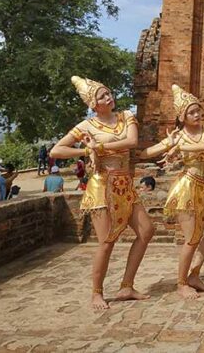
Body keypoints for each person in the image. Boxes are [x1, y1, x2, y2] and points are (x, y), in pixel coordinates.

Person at [50, 75, 154, 310]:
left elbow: (131, 141)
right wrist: (86, 151)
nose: (109, 97)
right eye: (102, 96)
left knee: (146, 230)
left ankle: (127, 285)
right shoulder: (86, 126)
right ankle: (96, 293)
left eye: (109, 93)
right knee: (107, 241)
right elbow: (57, 150)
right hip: (101, 185)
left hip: (124, 183)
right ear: (93, 104)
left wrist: (100, 146)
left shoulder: (126, 116)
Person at [140, 85, 204, 299]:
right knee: (192, 239)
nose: (197, 115)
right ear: (182, 116)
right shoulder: (179, 137)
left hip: (201, 187)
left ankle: (194, 274)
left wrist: (179, 148)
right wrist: (169, 143)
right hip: (187, 188)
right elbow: (144, 153)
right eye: (191, 112)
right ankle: (181, 283)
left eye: (198, 110)